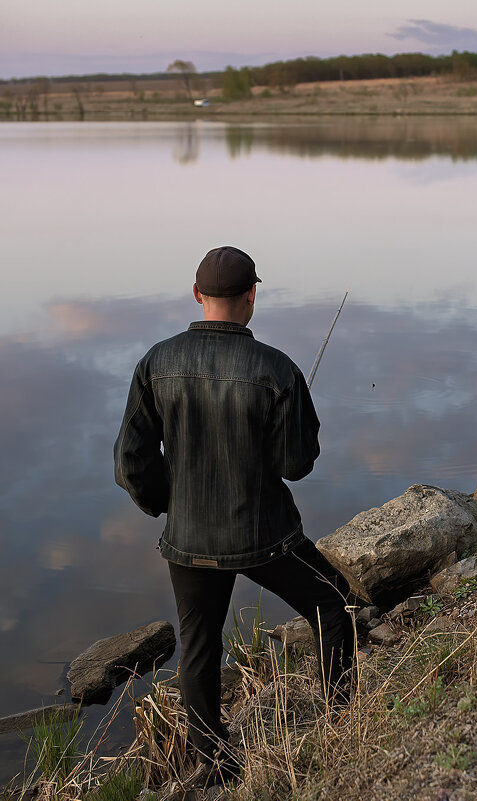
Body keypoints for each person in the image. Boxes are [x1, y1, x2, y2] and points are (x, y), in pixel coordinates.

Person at [114, 246, 354, 787]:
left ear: (197, 295)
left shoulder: (156, 362)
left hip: (188, 538)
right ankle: (343, 718)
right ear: (251, 296)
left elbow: (130, 459)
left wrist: (165, 504)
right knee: (332, 603)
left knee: (199, 650)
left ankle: (216, 765)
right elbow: (296, 465)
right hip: (264, 535)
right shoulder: (277, 369)